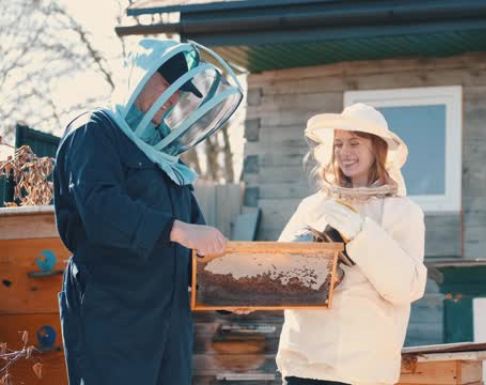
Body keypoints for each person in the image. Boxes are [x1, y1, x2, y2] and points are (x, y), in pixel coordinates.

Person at [53, 39, 243, 385]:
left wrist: (227, 293)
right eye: (166, 86)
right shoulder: (93, 133)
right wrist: (176, 230)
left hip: (168, 326)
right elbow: (100, 209)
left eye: (179, 92)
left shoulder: (165, 152)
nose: (172, 99)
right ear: (139, 78)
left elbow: (195, 239)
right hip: (111, 321)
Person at [276, 103, 427, 385]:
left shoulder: (402, 213)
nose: (345, 152)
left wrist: (360, 234)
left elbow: (406, 287)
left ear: (378, 149)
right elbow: (277, 274)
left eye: (355, 143)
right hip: (304, 366)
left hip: (362, 372)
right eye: (339, 143)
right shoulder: (314, 207)